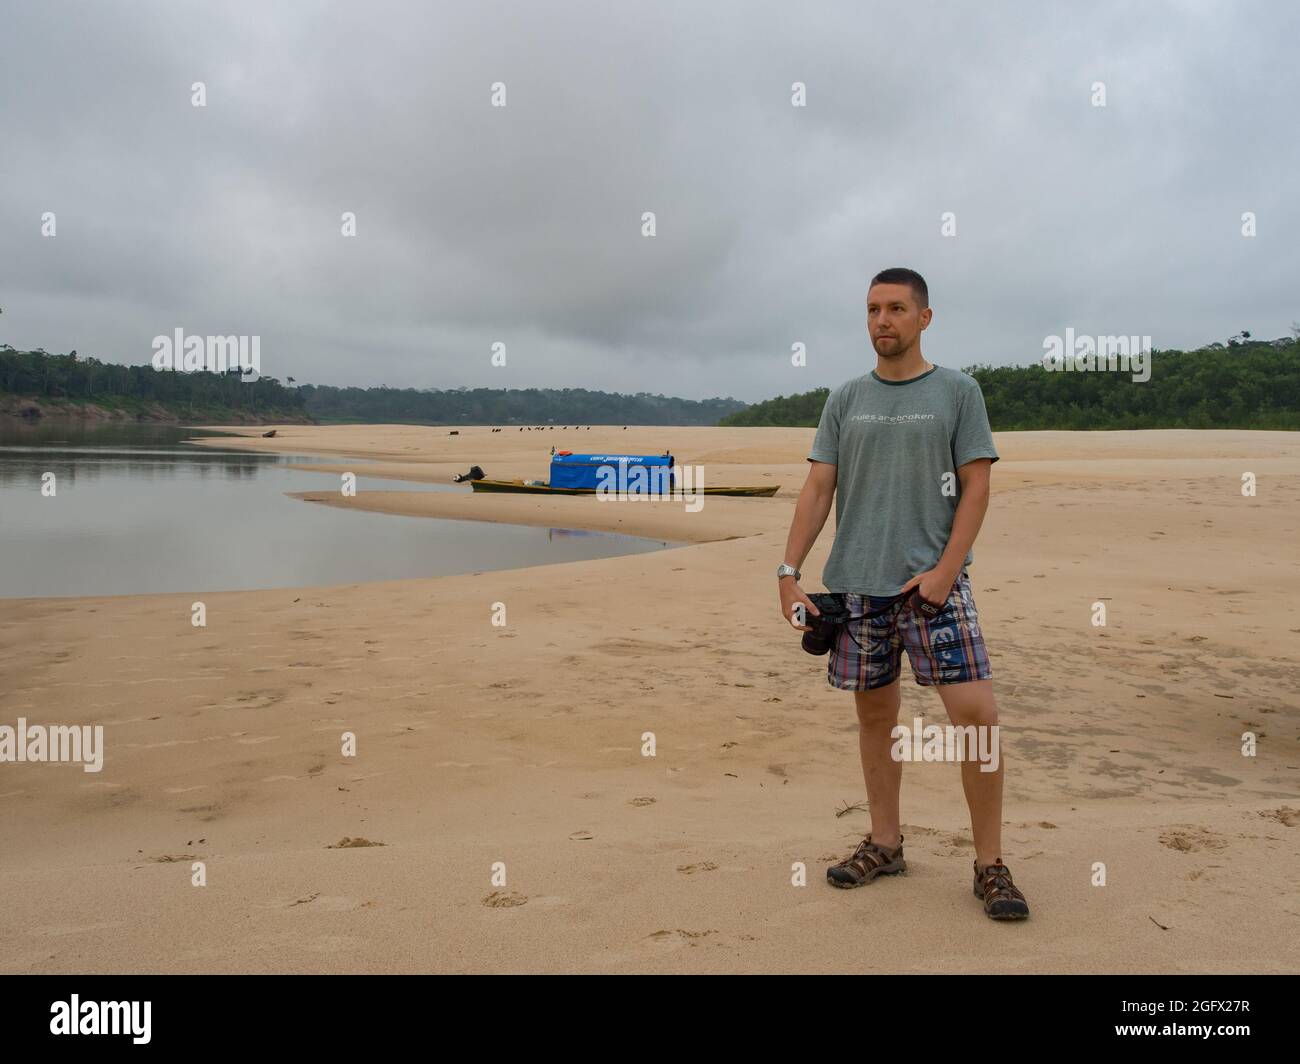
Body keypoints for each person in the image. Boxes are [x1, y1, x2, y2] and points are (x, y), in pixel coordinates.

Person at [776, 267, 1029, 920]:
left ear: (924, 317)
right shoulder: (846, 399)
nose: (881, 321)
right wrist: (788, 569)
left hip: (934, 587)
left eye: (894, 309)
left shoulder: (957, 392)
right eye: (871, 310)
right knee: (874, 719)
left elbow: (976, 485)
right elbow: (817, 488)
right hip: (858, 586)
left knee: (977, 718)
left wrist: (946, 570)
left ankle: (990, 864)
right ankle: (885, 844)